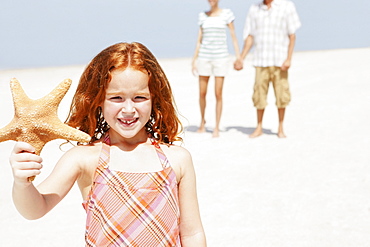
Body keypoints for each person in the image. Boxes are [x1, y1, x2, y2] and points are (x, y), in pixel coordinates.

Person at [10, 42, 207, 247]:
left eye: (139, 97)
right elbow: (35, 209)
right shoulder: (84, 158)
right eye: (117, 98)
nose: (129, 109)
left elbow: (192, 233)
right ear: (99, 100)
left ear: (154, 99)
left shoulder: (177, 159)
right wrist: (22, 183)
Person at [234, 0, 301, 138]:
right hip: (261, 60)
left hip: (280, 61)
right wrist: (241, 58)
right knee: (259, 95)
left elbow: (292, 35)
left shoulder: (286, 6)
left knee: (282, 95)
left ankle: (280, 128)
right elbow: (250, 37)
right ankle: (259, 127)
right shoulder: (254, 9)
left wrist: (289, 59)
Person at [192, 0, 241, 137]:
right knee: (202, 93)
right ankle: (202, 122)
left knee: (218, 93)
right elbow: (199, 39)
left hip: (221, 58)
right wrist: (194, 60)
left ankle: (217, 127)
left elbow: (233, 36)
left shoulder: (227, 14)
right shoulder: (203, 16)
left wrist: (238, 56)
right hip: (204, 57)